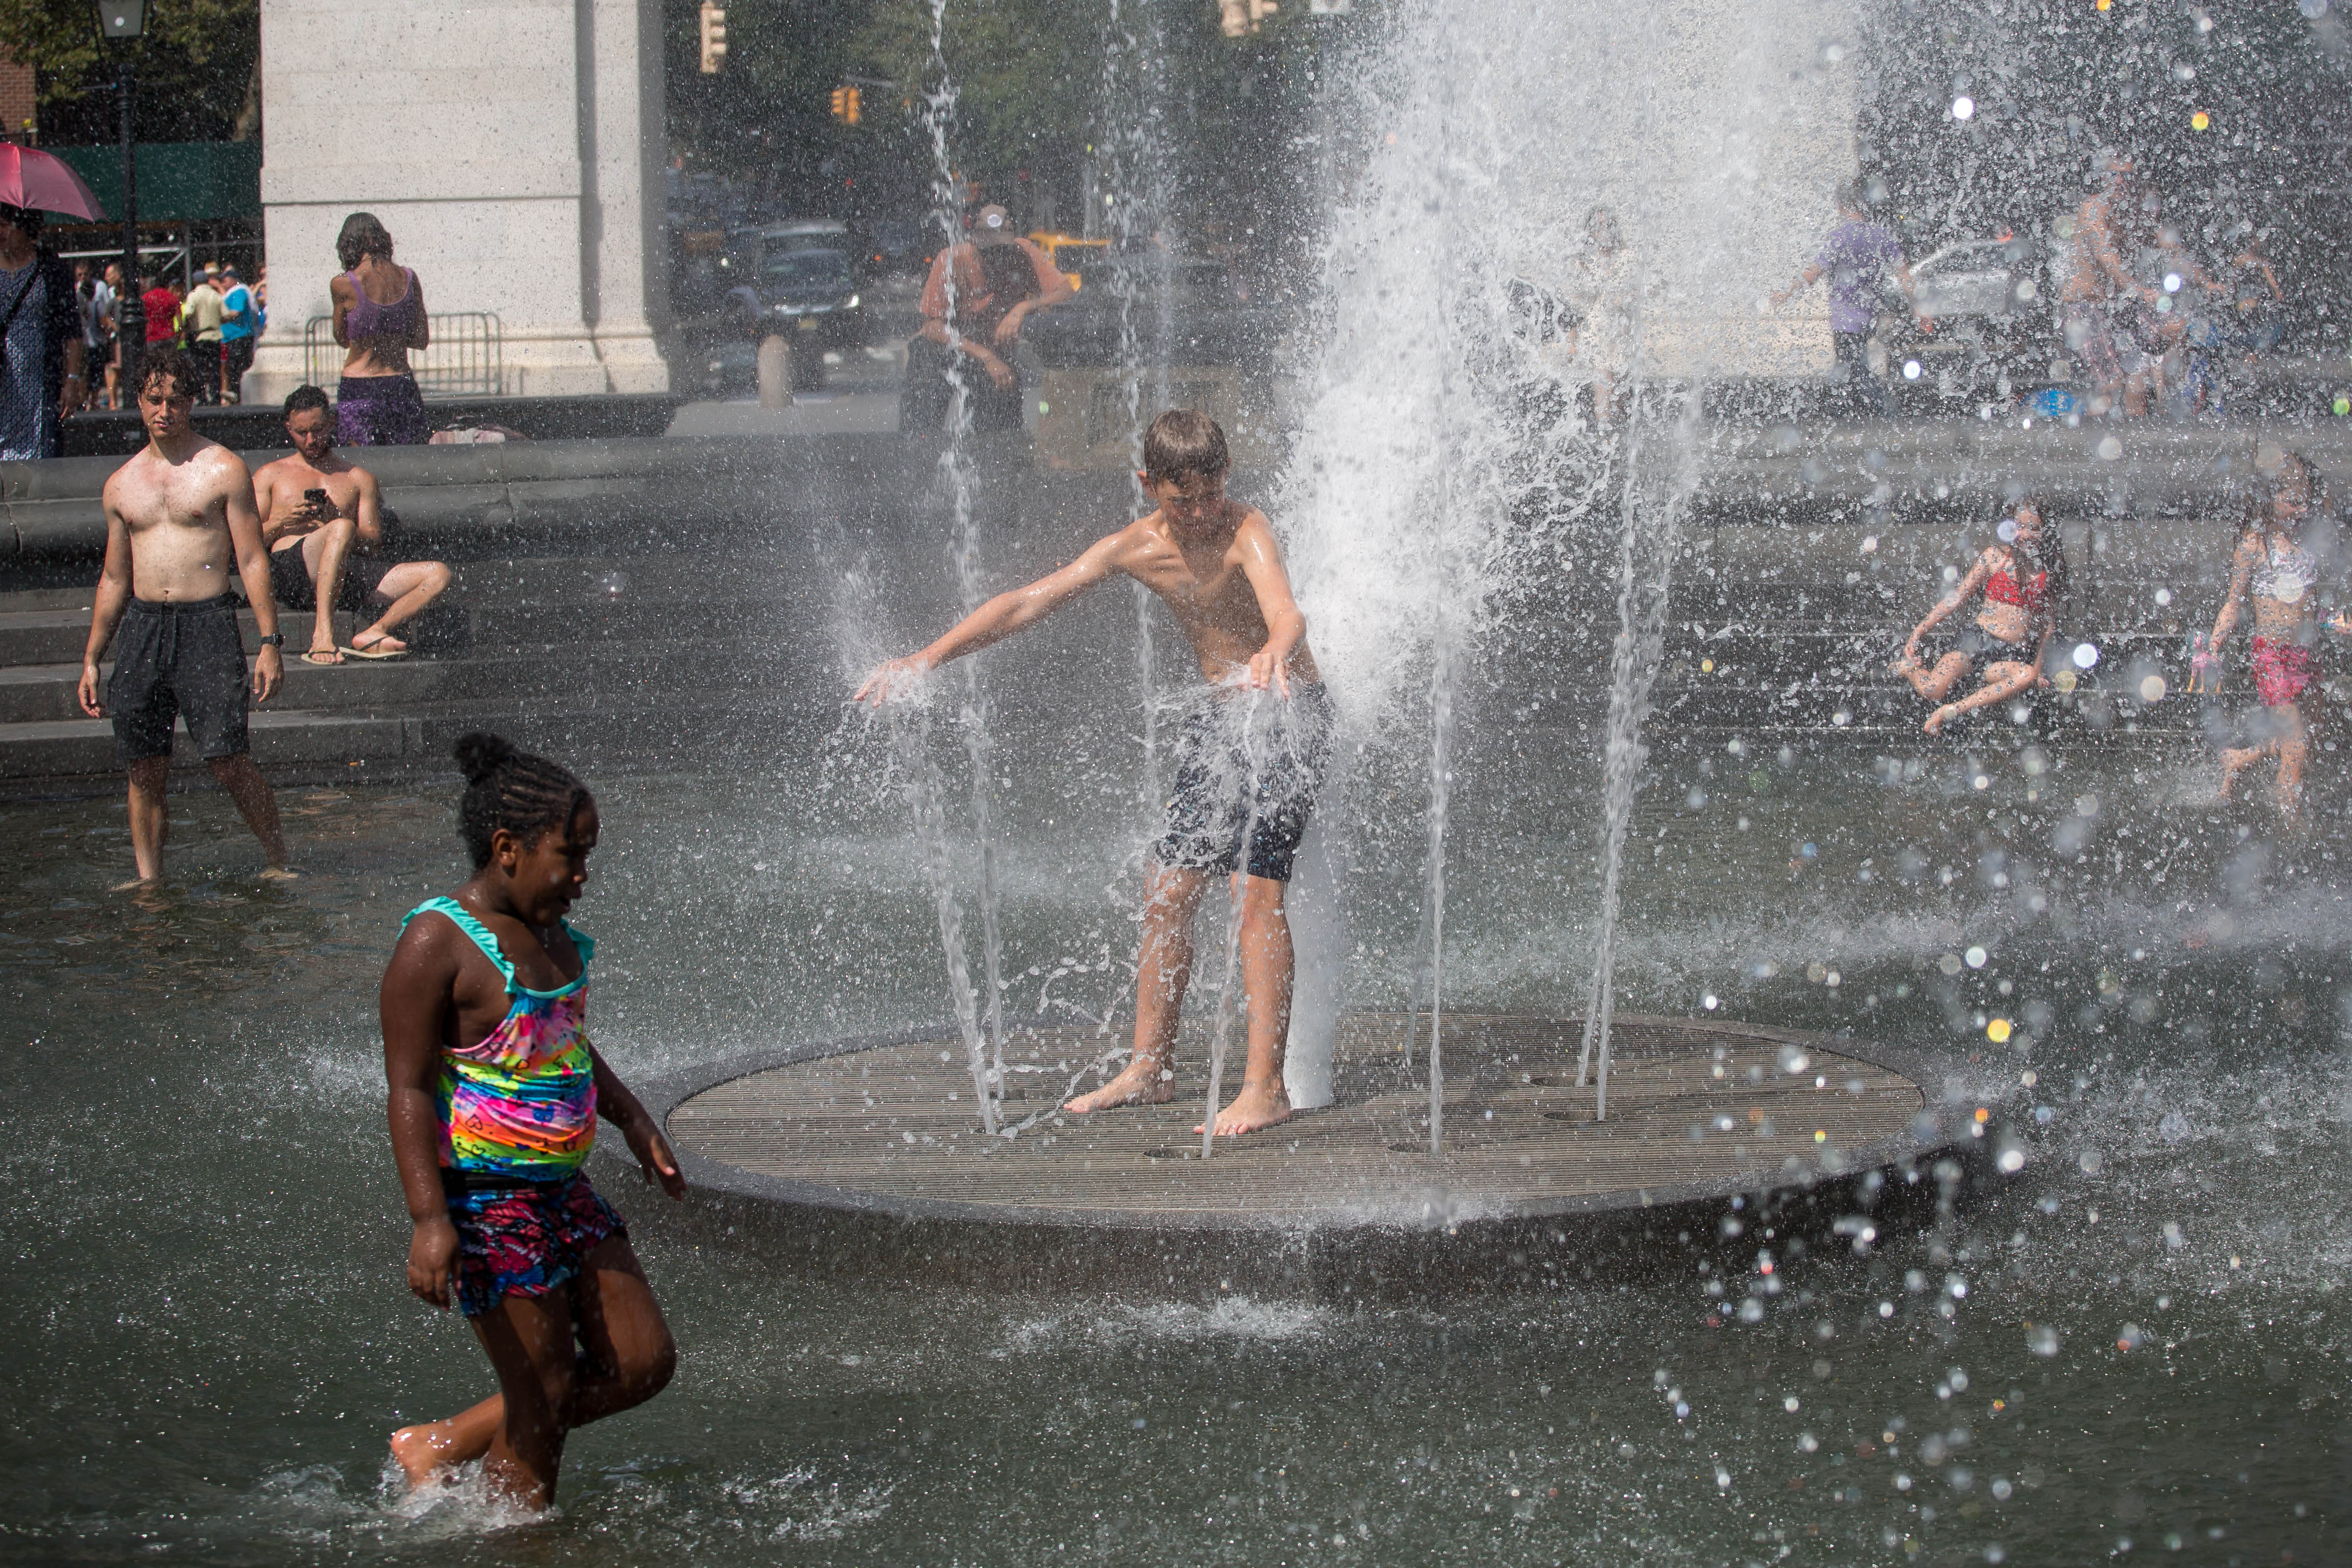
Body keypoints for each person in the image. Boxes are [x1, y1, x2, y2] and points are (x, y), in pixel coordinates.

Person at [858, 409, 1329, 1136]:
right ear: (1149, 486)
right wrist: (925, 659)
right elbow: (1026, 602)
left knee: (1253, 890)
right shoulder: (1133, 549)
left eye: (1211, 494)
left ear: (1225, 479)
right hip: (1222, 720)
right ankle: (1150, 1068)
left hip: (1287, 713)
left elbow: (1287, 612)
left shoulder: (1246, 529)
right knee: (1168, 890)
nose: (1202, 514)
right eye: (1183, 501)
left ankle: (1264, 1087)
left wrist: (1273, 649)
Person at [378, 732, 681, 1509]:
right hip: (483, 1201)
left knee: (642, 1362)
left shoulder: (552, 939)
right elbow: (409, 1089)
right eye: (568, 856)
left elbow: (569, 1045)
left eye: (587, 857)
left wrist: (631, 1118)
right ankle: (513, 1536)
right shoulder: (437, 942)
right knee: (542, 1390)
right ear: (506, 848)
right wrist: (428, 1219)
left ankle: (443, 1444)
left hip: (562, 1191)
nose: (581, 877)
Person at [75, 349, 290, 884]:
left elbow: (253, 558)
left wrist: (270, 640)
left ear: (193, 402)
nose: (164, 410)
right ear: (140, 404)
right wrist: (92, 658)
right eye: (154, 399)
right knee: (144, 765)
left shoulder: (223, 468)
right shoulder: (121, 485)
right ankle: (150, 880)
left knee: (227, 759)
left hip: (207, 624)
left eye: (175, 399)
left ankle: (278, 857)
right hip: (145, 627)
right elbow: (115, 578)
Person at [252, 385, 454, 664]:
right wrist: (280, 521)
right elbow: (246, 542)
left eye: (318, 430)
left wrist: (336, 521)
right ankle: (322, 635)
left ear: (332, 422)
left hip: (346, 574)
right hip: (293, 572)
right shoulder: (270, 476)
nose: (311, 440)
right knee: (341, 528)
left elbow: (372, 545)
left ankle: (376, 631)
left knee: (438, 573)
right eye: (302, 433)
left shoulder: (358, 478)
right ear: (289, 428)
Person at [2195, 453, 2348, 822]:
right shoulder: (2254, 546)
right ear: (2270, 501)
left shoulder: (2309, 544)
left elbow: (2309, 609)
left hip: (2307, 655)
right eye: (2292, 502)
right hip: (2273, 658)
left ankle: (2239, 759)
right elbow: (2234, 603)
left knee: (2307, 738)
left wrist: (2335, 623)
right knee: (2296, 749)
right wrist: (2213, 647)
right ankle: (2290, 832)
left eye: (2305, 501)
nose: (2300, 510)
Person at [1893, 498, 2064, 735]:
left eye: (2033, 528)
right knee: (1932, 689)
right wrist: (1919, 632)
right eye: (2019, 526)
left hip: (2008, 654)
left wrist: (2038, 669)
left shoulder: (2048, 572)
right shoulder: (1995, 556)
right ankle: (1909, 670)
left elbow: (2048, 625)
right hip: (1973, 642)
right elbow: (1957, 597)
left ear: (2046, 531)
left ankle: (1950, 710)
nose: (2025, 534)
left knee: (2026, 675)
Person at [901, 203, 1073, 438]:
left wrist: (1022, 308)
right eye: (990, 253)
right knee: (922, 419)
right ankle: (917, 452)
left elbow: (1065, 290)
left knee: (1003, 428)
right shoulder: (952, 260)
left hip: (995, 359)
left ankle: (1002, 463)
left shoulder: (1023, 254)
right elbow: (933, 328)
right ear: (974, 245)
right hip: (948, 353)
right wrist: (986, 357)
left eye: (1003, 252)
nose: (997, 260)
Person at [1772, 181, 1920, 415]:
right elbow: (1904, 275)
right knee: (1848, 366)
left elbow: (1813, 273)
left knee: (1856, 368)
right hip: (1870, 315)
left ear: (1843, 206)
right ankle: (1840, 413)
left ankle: (1886, 412)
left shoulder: (1840, 237)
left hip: (1845, 319)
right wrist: (1920, 308)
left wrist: (1787, 293)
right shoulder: (1882, 236)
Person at [2056, 152, 2163, 419]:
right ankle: (2085, 453)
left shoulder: (2125, 215)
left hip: (2105, 309)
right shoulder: (2094, 209)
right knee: (2110, 388)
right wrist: (2137, 289)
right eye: (2113, 174)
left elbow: (2161, 246)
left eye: (2126, 176)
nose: (2119, 181)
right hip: (2082, 310)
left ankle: (2139, 447)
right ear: (2102, 179)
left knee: (2138, 379)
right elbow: (2106, 257)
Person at [329, 212, 431, 446]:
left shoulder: (343, 284)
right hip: (400, 384)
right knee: (409, 464)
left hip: (359, 388)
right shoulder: (408, 278)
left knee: (360, 467)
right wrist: (392, 333)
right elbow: (421, 339)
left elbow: (342, 338)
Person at [0, 203, 85, 459]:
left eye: (5, 225)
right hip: (3, 378)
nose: (0, 232)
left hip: (40, 379)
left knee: (42, 450)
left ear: (25, 226)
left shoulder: (51, 269)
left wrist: (71, 381)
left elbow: (72, 329)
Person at [1565, 205, 1637, 425]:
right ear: (1591, 231)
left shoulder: (1627, 258)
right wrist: (1572, 340)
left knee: (1622, 394)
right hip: (1596, 333)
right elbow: (1574, 305)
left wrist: (1630, 295)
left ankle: (1618, 438)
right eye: (1599, 227)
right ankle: (1604, 433)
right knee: (1603, 382)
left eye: (1609, 226)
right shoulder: (1584, 262)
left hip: (1621, 331)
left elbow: (1648, 288)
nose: (1604, 231)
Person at [181, 262, 227, 405]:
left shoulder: (194, 296)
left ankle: (202, 398)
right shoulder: (216, 295)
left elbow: (189, 313)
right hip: (215, 335)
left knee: (200, 368)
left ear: (195, 282)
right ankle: (215, 396)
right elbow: (226, 315)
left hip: (200, 336)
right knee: (214, 368)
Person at [219, 264, 257, 403]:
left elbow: (237, 311)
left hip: (240, 335)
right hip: (233, 336)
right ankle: (236, 395)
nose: (222, 281)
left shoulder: (239, 292)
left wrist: (220, 319)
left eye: (225, 278)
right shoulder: (232, 293)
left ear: (234, 279)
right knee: (233, 367)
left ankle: (238, 397)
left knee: (238, 367)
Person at [140, 273, 181, 351]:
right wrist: (178, 336)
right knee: (169, 361)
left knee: (153, 362)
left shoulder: (146, 298)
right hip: (169, 337)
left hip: (151, 338)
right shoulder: (172, 298)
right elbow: (180, 323)